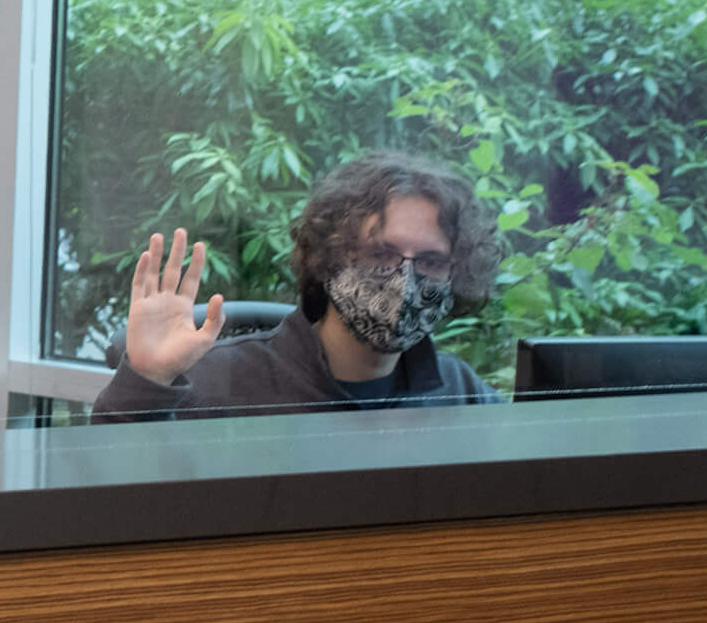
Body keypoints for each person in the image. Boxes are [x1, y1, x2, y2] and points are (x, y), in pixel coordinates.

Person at [94, 151, 502, 422]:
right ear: (330, 253)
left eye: (430, 262)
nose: (405, 280)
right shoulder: (214, 382)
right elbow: (101, 489)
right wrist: (147, 381)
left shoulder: (459, 390)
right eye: (380, 254)